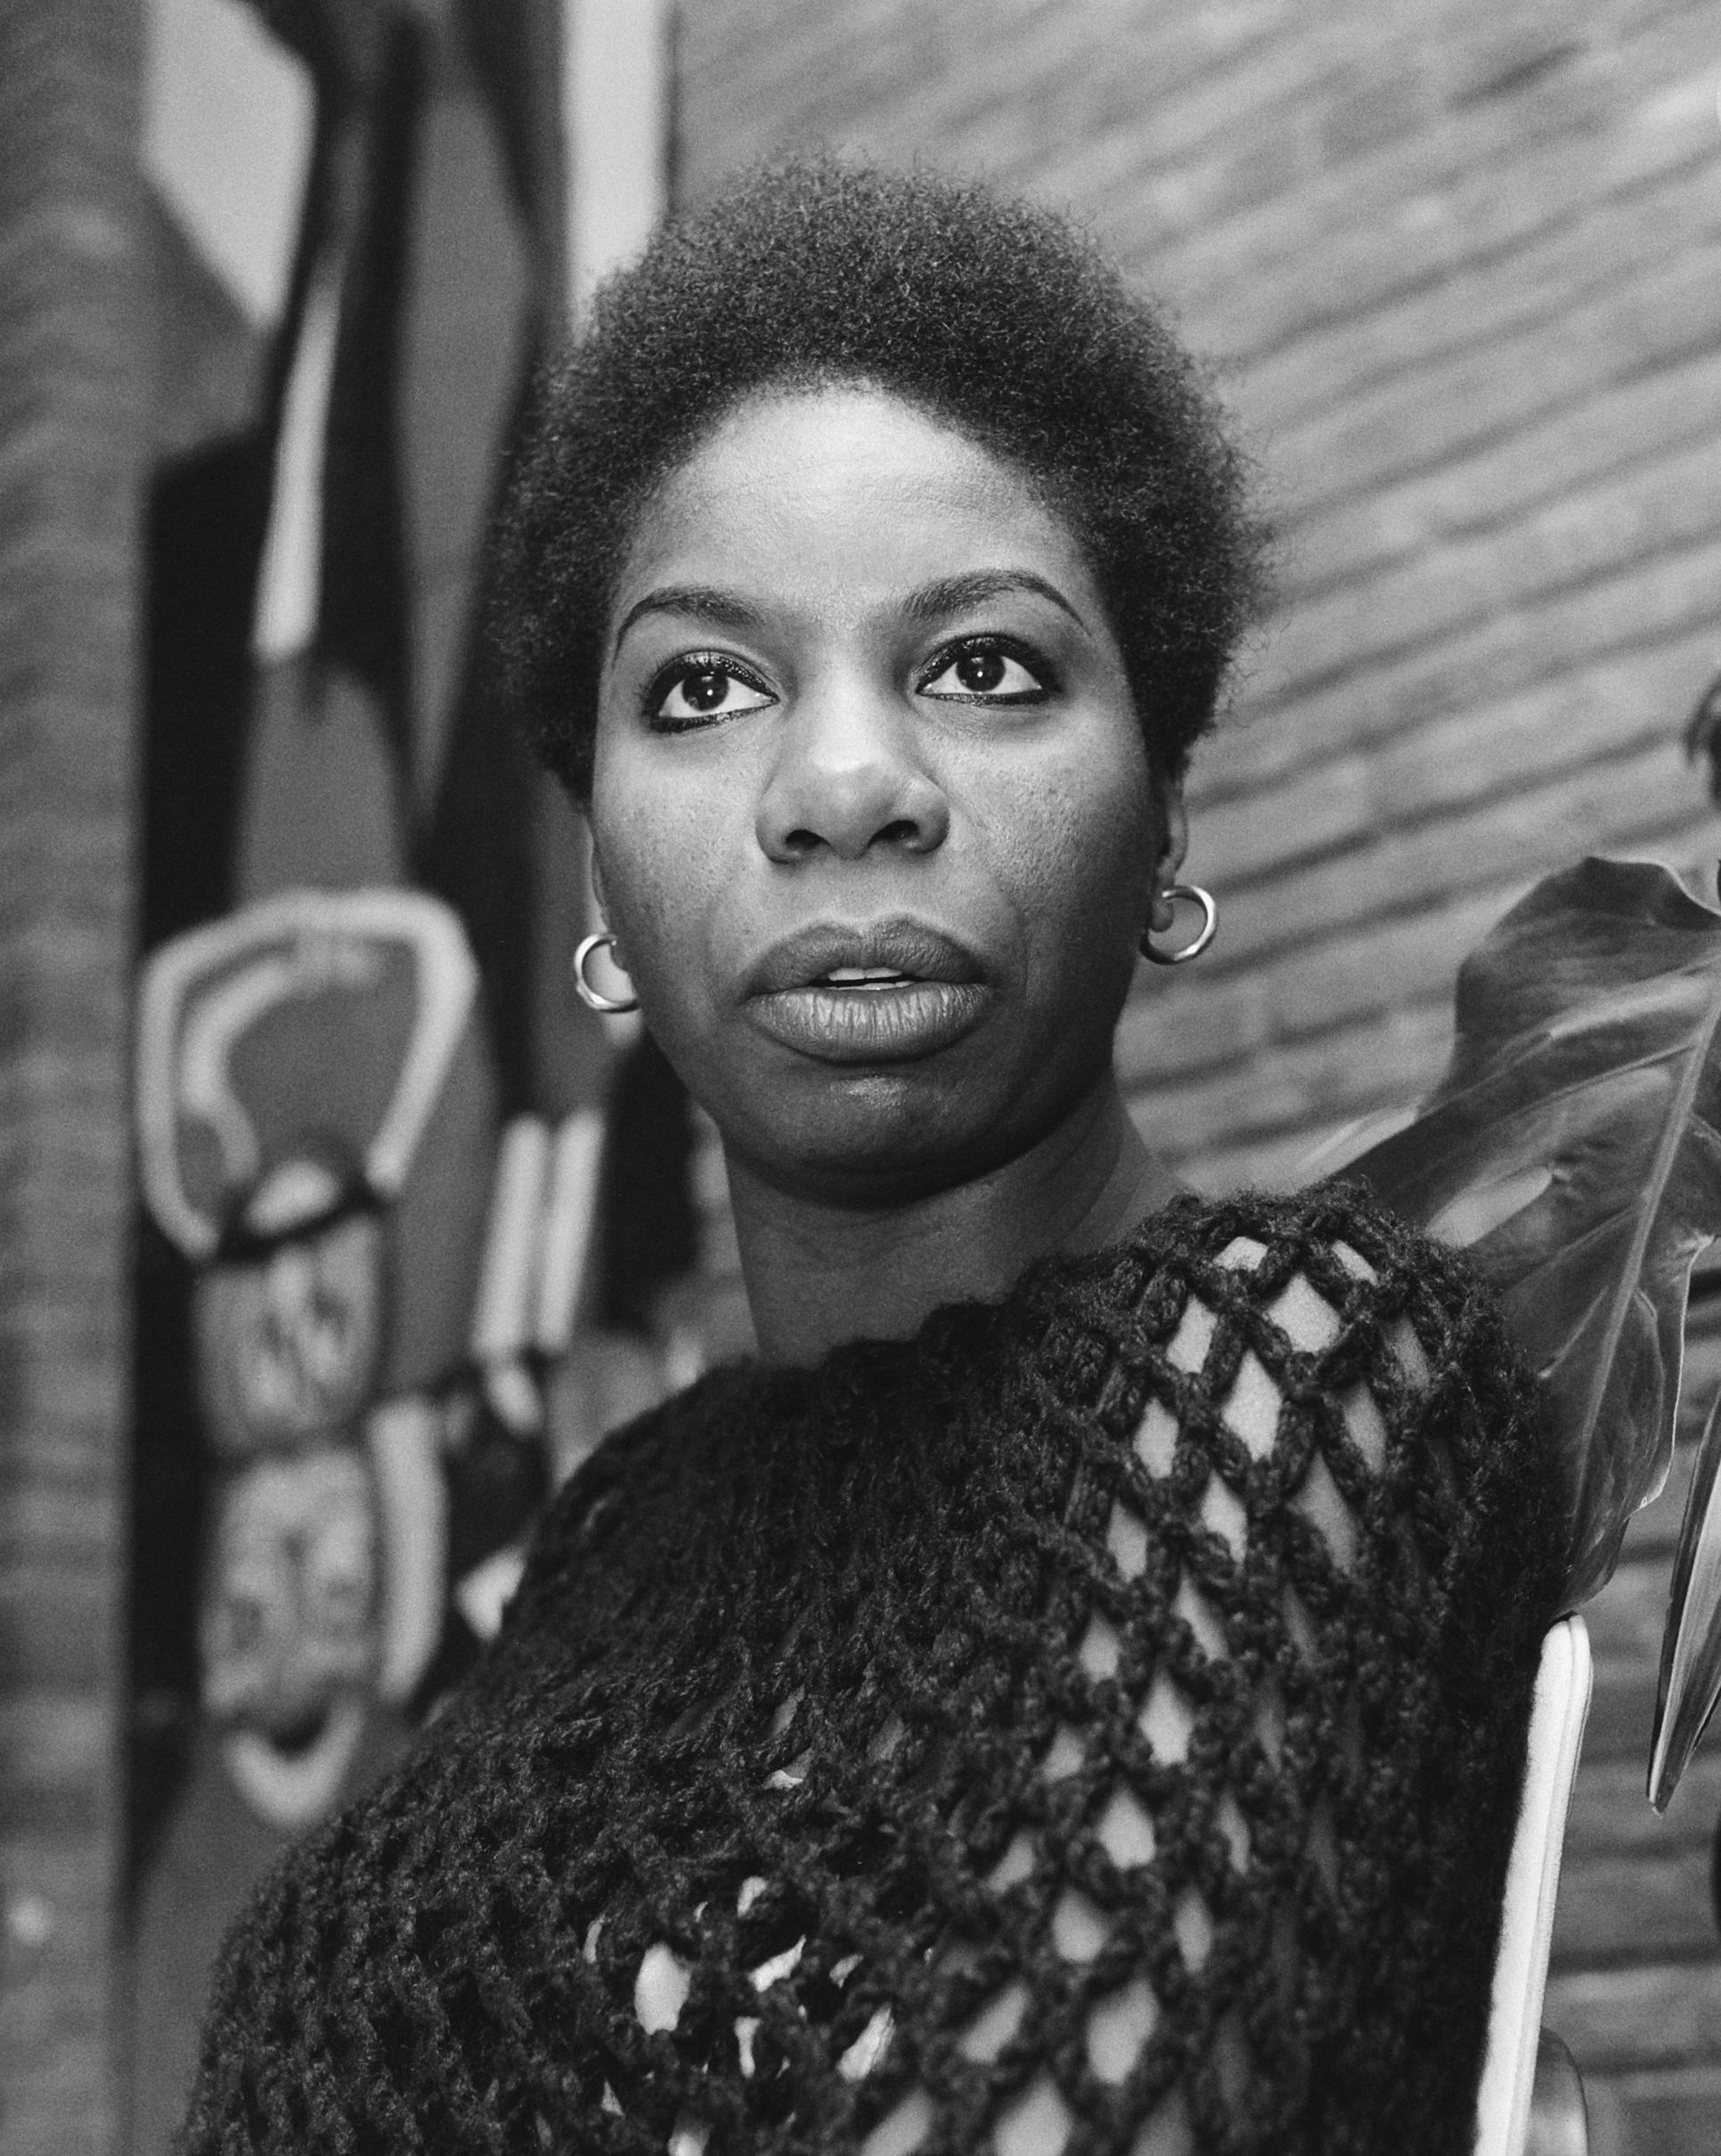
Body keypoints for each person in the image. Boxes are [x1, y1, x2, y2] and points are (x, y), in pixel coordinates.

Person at [181, 159, 1562, 2156]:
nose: (842, 787)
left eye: (983, 665)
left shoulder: (1294, 1366)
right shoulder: (618, 1528)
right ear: (599, 878)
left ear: (1164, 816)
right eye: (705, 685)